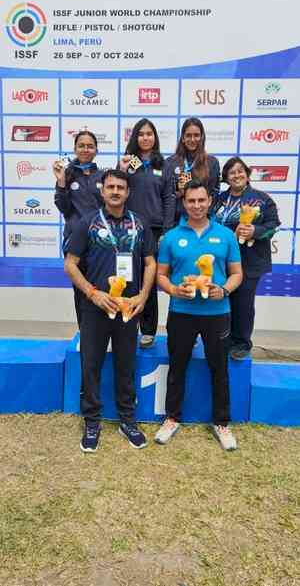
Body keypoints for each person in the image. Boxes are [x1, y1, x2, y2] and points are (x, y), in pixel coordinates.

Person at [64, 169, 156, 453]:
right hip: (96, 306)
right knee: (91, 364)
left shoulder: (139, 224)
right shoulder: (87, 222)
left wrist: (142, 295)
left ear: (128, 193)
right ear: (102, 191)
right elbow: (70, 263)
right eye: (111, 187)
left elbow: (151, 263)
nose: (116, 191)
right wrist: (92, 293)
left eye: (121, 187)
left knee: (126, 364)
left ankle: (128, 419)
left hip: (128, 307)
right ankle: (92, 421)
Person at [155, 180, 243, 451]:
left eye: (201, 200)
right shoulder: (171, 236)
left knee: (219, 368)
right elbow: (160, 275)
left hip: (218, 313)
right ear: (184, 203)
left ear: (209, 202)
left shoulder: (226, 235)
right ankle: (172, 418)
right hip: (182, 312)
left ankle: (222, 423)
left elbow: (237, 273)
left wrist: (225, 290)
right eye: (191, 201)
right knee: (177, 366)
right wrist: (172, 289)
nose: (196, 206)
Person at [213, 156, 280, 360]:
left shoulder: (262, 199)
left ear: (247, 174)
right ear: (226, 177)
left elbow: (272, 226)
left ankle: (241, 342)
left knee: (242, 303)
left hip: (249, 261)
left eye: (240, 171)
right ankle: (223, 339)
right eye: (232, 172)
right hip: (222, 261)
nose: (237, 175)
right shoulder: (219, 200)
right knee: (222, 300)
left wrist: (255, 231)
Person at [119, 118, 175, 348]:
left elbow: (169, 198)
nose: (145, 137)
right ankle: (126, 323)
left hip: (153, 229)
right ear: (135, 138)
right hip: (129, 227)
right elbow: (117, 189)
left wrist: (166, 231)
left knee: (148, 283)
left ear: (155, 138)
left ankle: (148, 329)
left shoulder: (164, 164)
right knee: (127, 278)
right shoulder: (128, 162)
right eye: (141, 134)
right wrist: (121, 171)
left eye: (149, 134)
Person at [53, 130, 103, 325]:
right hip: (76, 241)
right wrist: (61, 181)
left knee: (102, 287)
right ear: (75, 149)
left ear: (96, 150)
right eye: (81, 145)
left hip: (100, 241)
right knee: (81, 290)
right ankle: (85, 331)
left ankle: (102, 331)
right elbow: (63, 207)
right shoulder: (67, 174)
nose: (85, 149)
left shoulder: (103, 176)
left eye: (90, 146)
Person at [165, 117, 220, 224]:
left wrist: (204, 217)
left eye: (196, 135)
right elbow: (166, 196)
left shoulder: (212, 162)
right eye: (188, 135)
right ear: (183, 138)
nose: (192, 139)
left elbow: (214, 194)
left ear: (202, 137)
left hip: (202, 221)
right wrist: (178, 193)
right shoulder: (170, 162)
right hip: (176, 221)